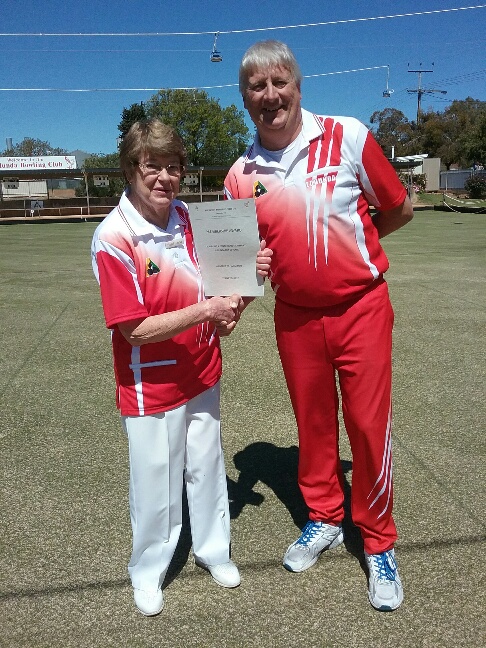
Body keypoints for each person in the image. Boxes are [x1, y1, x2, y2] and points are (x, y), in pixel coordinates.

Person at [224, 40, 413, 612]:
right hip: (296, 319)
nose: (270, 95)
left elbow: (398, 208)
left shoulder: (348, 134)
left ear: (299, 86)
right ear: (245, 99)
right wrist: (223, 306)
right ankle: (325, 515)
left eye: (280, 82)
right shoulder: (240, 174)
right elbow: (238, 261)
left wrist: (353, 253)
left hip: (361, 309)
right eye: (257, 87)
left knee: (366, 424)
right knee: (313, 425)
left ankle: (378, 542)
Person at [91, 118, 271, 616]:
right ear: (132, 169)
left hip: (201, 369)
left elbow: (220, 296)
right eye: (153, 166)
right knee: (156, 479)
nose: (165, 178)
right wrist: (205, 312)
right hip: (150, 383)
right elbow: (134, 329)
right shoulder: (114, 236)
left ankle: (214, 552)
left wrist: (246, 286)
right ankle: (148, 571)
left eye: (174, 167)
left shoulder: (190, 219)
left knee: (208, 468)